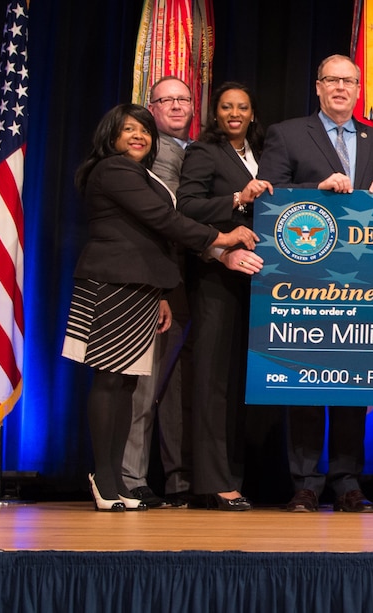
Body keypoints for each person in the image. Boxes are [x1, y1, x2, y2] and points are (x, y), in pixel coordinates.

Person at [62, 103, 257, 511]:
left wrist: (164, 294)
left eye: (144, 131)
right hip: (112, 283)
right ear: (111, 136)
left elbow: (157, 236)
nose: (139, 136)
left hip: (143, 286)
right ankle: (106, 478)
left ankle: (114, 482)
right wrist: (220, 239)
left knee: (128, 384)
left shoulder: (140, 173)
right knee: (110, 381)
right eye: (129, 129)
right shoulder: (113, 170)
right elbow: (163, 221)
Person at [258, 53, 373, 513]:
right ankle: (304, 481)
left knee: (350, 381)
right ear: (317, 87)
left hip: (361, 281)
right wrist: (315, 192)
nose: (341, 87)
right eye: (332, 80)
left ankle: (346, 480)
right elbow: (268, 196)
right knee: (304, 381)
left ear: (360, 90)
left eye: (349, 81)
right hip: (303, 277)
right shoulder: (287, 133)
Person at [177, 82, 272, 511]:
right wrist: (237, 197)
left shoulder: (262, 154)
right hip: (216, 277)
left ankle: (234, 474)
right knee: (213, 379)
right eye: (226, 107)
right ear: (215, 114)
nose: (235, 113)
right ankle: (212, 481)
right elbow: (186, 207)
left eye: (243, 107)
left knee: (238, 384)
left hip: (256, 277)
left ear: (253, 113)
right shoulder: (203, 152)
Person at [122, 75, 197, 508]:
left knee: (177, 390)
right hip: (159, 281)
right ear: (150, 109)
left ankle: (179, 481)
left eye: (182, 99)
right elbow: (160, 219)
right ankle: (130, 478)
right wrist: (161, 286)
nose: (175, 106)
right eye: (165, 100)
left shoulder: (199, 148)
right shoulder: (145, 153)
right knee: (144, 388)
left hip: (197, 284)